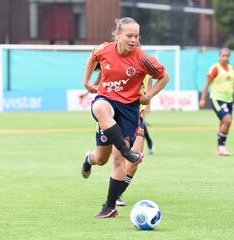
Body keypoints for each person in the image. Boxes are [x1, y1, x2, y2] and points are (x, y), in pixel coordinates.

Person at [81, 17, 169, 218]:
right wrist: (86, 82)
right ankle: (121, 152)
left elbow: (164, 76)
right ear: (118, 35)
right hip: (107, 101)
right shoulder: (104, 50)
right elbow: (92, 57)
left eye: (137, 36)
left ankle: (110, 206)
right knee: (100, 107)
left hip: (129, 110)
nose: (134, 40)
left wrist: (148, 96)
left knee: (108, 160)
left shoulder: (142, 58)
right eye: (129, 35)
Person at [80, 73, 154, 207]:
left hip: (133, 118)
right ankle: (89, 158)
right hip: (111, 116)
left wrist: (141, 118)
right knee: (101, 159)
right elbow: (96, 83)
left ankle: (117, 194)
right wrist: (87, 92)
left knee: (135, 158)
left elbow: (147, 93)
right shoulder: (114, 61)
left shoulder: (146, 66)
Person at [199, 48, 234, 156]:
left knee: (224, 123)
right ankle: (221, 147)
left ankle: (219, 149)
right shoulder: (215, 68)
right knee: (227, 120)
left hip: (229, 99)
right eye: (223, 55)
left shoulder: (232, 69)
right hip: (217, 98)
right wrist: (202, 98)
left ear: (230, 56)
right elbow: (207, 84)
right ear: (219, 56)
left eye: (227, 55)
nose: (225, 57)